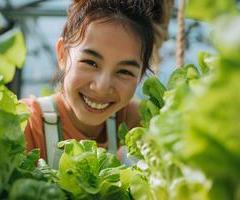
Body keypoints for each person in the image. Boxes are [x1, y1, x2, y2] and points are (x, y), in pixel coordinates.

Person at [22, 0, 164, 169]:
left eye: (124, 72)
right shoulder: (26, 124)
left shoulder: (135, 121)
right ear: (62, 55)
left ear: (140, 76)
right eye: (91, 62)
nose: (102, 87)